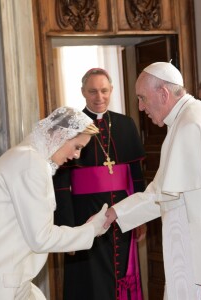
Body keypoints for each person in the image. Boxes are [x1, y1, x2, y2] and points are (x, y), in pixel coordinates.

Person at [103, 62, 201, 300]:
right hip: (199, 254)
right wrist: (116, 213)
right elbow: (163, 192)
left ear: (163, 93)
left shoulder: (193, 125)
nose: (140, 107)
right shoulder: (184, 120)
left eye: (142, 98)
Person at [0, 106, 108, 300]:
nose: (77, 156)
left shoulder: (28, 156)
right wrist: (91, 229)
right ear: (60, 134)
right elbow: (41, 238)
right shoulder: (31, 162)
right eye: (77, 147)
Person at [53, 68, 146, 300]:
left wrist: (140, 215)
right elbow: (62, 184)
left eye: (104, 90)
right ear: (83, 92)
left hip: (122, 213)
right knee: (90, 280)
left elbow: (136, 175)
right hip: (85, 214)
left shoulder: (125, 124)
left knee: (122, 272)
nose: (99, 97)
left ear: (111, 90)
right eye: (93, 91)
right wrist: (67, 226)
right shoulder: (71, 127)